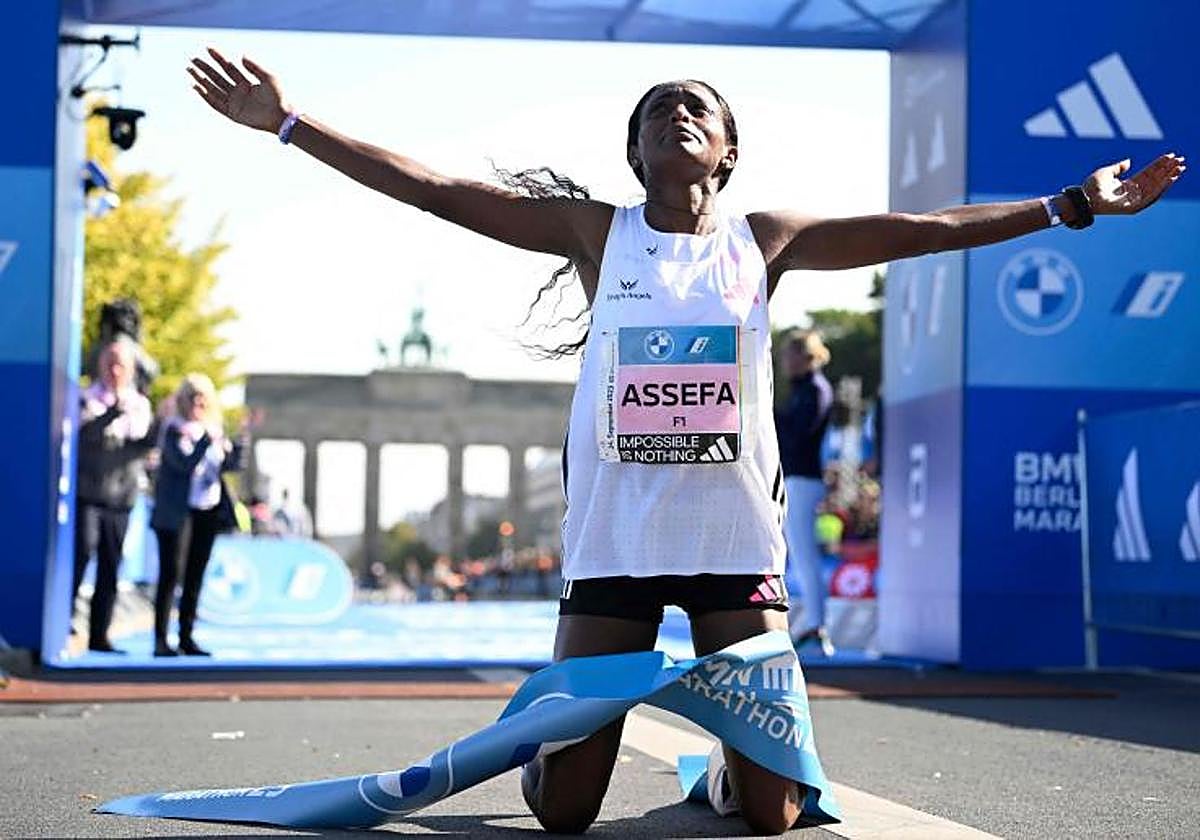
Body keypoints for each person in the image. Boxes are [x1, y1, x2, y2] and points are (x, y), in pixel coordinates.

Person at [187, 48, 1184, 834]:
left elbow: (920, 227)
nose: (677, 113)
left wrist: (1068, 207)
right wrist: (285, 121)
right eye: (656, 110)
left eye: (697, 108)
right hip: (616, 548)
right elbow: (439, 191)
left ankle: (723, 767)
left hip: (734, 549)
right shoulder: (595, 232)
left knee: (770, 816)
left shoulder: (767, 240)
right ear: (636, 156)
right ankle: (556, 740)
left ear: (728, 151)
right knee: (566, 813)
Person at [150, 373, 243, 657]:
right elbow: (182, 464)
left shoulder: (214, 430)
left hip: (207, 510)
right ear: (182, 400)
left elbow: (227, 467)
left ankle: (187, 635)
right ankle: (161, 638)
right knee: (171, 574)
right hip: (177, 512)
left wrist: (238, 446)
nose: (197, 404)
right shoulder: (173, 430)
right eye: (192, 397)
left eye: (203, 398)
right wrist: (204, 441)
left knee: (195, 575)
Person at [72, 337, 155, 653]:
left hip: (122, 497)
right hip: (90, 493)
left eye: (122, 363)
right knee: (82, 552)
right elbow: (86, 437)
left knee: (111, 564)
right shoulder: (86, 398)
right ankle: (64, 619)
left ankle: (100, 634)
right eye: (110, 362)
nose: (115, 369)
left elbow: (142, 443)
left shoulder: (139, 404)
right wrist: (110, 415)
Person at [775, 330, 836, 656]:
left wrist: (771, 416)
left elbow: (799, 434)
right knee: (796, 555)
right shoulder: (804, 390)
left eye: (789, 354)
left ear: (804, 356)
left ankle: (817, 626)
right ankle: (812, 623)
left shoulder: (815, 389)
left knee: (804, 554)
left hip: (803, 478)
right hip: (794, 477)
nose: (785, 361)